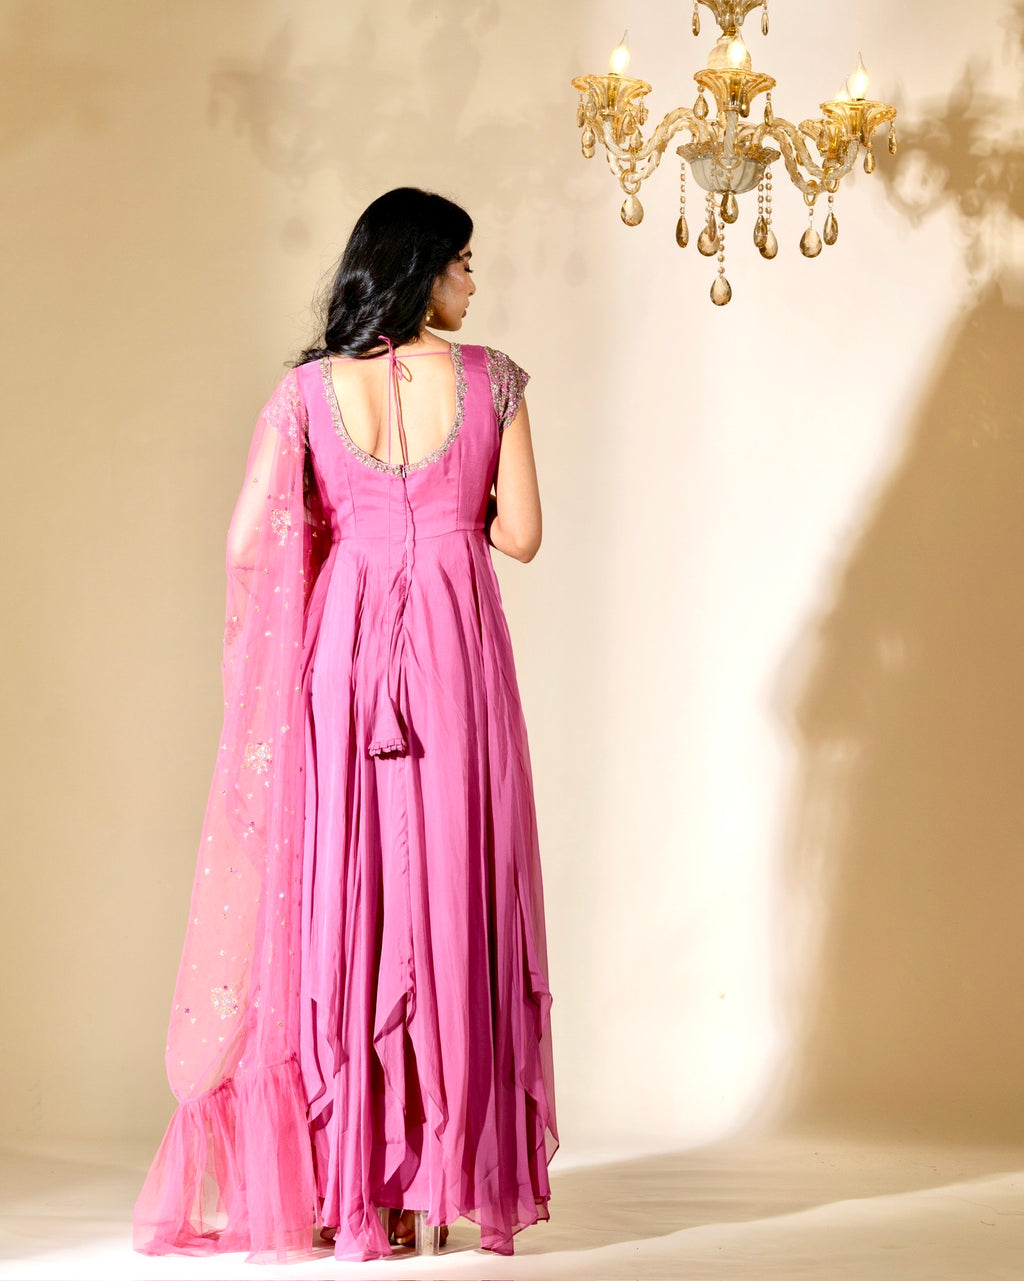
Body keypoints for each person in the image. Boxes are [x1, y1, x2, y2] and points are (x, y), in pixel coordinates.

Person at [132, 187, 558, 1264]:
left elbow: (245, 543)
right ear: (420, 269)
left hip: (344, 660)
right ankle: (443, 1181)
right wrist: (442, 518)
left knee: (345, 898)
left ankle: (351, 1190)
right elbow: (521, 540)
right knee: (458, 893)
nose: (473, 282)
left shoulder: (307, 394)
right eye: (462, 262)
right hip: (457, 657)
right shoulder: (492, 379)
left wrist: (339, 542)